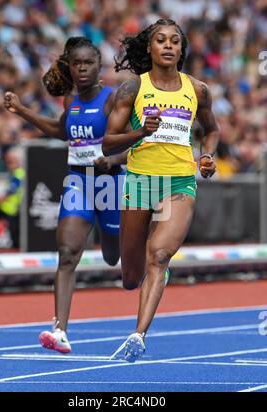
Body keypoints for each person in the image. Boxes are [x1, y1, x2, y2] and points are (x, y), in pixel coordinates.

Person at [102, 19, 219, 362]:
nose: (167, 46)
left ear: (181, 49)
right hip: (140, 182)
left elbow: (211, 130)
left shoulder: (197, 89)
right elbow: (108, 145)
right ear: (150, 48)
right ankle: (144, 270)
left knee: (159, 255)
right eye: (160, 40)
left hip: (179, 181)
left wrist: (207, 155)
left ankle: (138, 335)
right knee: (130, 275)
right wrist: (140, 134)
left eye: (174, 41)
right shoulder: (132, 90)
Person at [4, 37, 126, 354]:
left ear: (100, 67)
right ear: (69, 68)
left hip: (110, 184)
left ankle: (145, 265)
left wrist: (113, 159)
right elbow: (62, 132)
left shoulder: (113, 100)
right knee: (68, 252)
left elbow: (138, 141)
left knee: (115, 257)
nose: (82, 68)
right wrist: (21, 110)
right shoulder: (70, 101)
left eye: (88, 63)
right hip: (78, 182)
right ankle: (60, 330)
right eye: (77, 63)